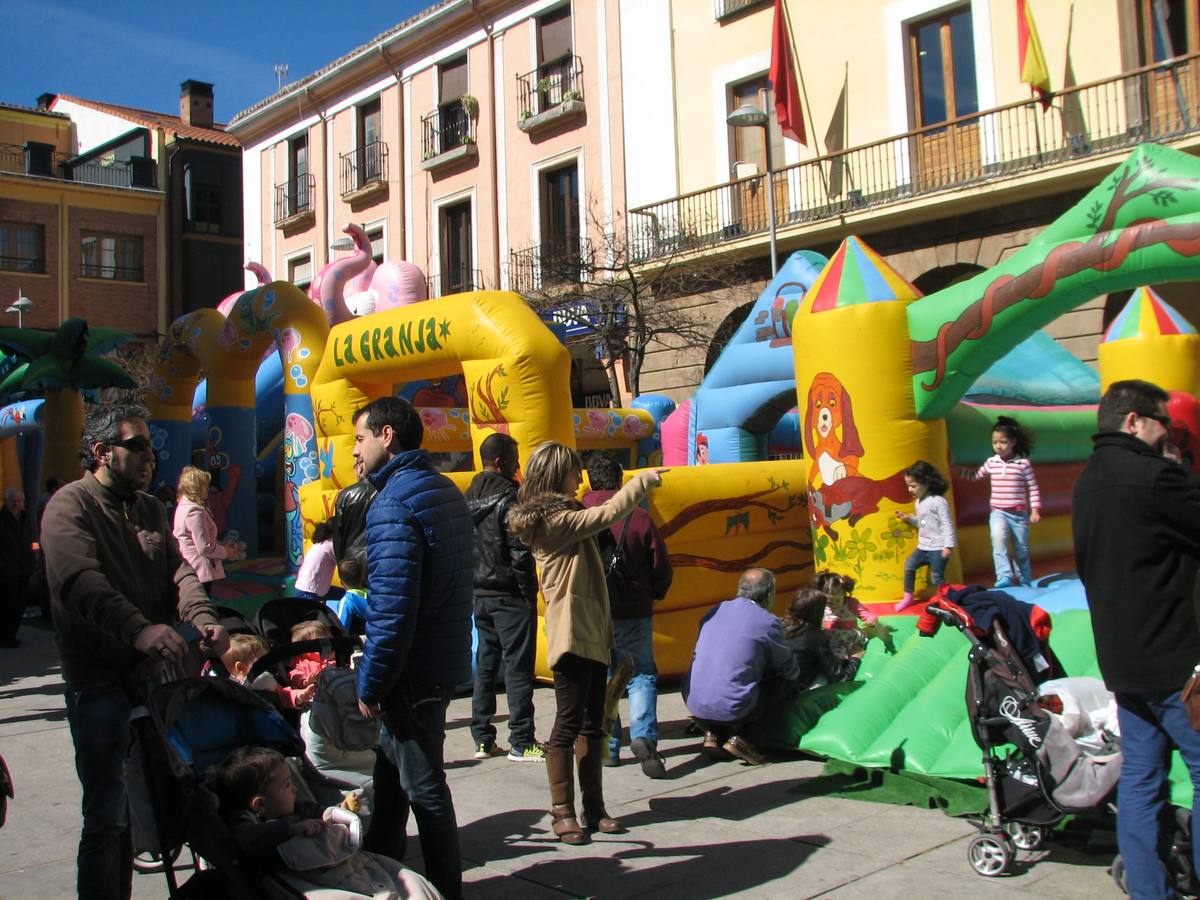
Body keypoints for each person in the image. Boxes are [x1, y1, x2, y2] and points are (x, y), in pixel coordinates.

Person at [42, 401, 229, 900]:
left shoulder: (149, 507)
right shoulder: (69, 505)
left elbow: (180, 572)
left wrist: (203, 619)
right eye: (137, 446)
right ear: (102, 452)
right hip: (100, 683)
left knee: (172, 799)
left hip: (158, 680)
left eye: (149, 445)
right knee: (107, 816)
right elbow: (79, 583)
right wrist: (137, 630)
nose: (150, 456)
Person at [1073, 378, 1200, 898]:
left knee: (1143, 779)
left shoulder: (1086, 481)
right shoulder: (1154, 478)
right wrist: (1176, 467)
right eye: (1162, 423)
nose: (1166, 433)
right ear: (1134, 421)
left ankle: (1151, 889)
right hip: (1178, 660)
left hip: (1124, 661)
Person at [508, 443, 666, 845]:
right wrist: (642, 481)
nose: (578, 479)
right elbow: (607, 514)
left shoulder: (565, 514)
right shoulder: (552, 521)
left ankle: (593, 808)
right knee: (568, 721)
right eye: (572, 472)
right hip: (571, 634)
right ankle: (562, 812)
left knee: (595, 722)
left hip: (593, 631)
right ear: (555, 474)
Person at [351, 396, 472, 900]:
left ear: (386, 436)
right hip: (436, 663)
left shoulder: (393, 504)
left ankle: (444, 889)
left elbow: (392, 610)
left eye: (359, 439)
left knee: (423, 789)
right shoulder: (442, 489)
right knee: (391, 781)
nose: (353, 452)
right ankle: (378, 872)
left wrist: (371, 682)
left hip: (411, 673)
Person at [214, 746, 439, 898]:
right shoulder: (247, 822)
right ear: (260, 805)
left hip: (339, 862)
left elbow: (317, 812)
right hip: (300, 876)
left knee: (408, 880)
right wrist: (291, 829)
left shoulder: (297, 807)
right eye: (286, 785)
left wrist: (337, 811)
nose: (293, 789)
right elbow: (248, 839)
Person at [582, 452, 674, 778]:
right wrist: (655, 593)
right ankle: (644, 736)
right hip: (634, 608)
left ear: (589, 481)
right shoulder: (639, 517)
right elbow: (660, 565)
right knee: (641, 673)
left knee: (604, 675)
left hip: (592, 610)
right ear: (621, 481)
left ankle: (608, 746)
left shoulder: (579, 514)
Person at [465, 433, 543, 762]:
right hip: (508, 592)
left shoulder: (468, 494)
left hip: (480, 593)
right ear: (499, 462)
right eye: (513, 459)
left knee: (486, 664)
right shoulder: (510, 498)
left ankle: (482, 737)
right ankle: (522, 740)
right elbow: (519, 554)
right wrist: (529, 595)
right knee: (517, 667)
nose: (518, 465)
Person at [682, 568, 799, 767]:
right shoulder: (767, 622)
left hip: (694, 702)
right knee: (786, 683)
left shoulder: (715, 610)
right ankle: (745, 739)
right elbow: (788, 668)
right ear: (769, 594)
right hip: (733, 707)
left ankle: (714, 734)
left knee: (731, 680)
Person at [958, 415, 1042, 588]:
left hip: (1019, 514)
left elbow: (1033, 487)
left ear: (1013, 442)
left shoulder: (1023, 464)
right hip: (998, 512)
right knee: (999, 540)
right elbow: (975, 475)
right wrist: (955, 469)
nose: (998, 446)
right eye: (995, 442)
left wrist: (1035, 510)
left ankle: (1024, 578)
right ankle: (1004, 576)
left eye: (1003, 442)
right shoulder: (992, 462)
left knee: (1021, 549)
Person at [894, 460, 955, 611]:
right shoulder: (919, 502)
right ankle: (908, 597)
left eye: (913, 486)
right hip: (923, 546)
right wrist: (909, 519)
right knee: (909, 565)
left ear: (927, 482)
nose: (910, 489)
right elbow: (924, 523)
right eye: (908, 485)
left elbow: (947, 524)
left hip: (938, 547)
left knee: (936, 578)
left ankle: (948, 599)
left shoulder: (938, 501)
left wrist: (948, 546)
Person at [173, 465, 245, 590]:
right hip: (198, 570)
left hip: (190, 567)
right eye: (204, 486)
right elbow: (204, 547)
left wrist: (223, 546)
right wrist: (226, 552)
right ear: (197, 488)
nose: (207, 489)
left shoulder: (183, 507)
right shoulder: (194, 511)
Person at [813, 570, 892, 669]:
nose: (833, 604)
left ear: (844, 594)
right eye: (829, 602)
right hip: (829, 639)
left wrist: (871, 621)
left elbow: (869, 615)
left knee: (837, 654)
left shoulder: (851, 603)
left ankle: (842, 668)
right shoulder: (822, 605)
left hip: (848, 638)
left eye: (837, 600)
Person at [780, 588, 854, 689]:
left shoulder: (778, 625)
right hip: (795, 689)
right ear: (819, 613)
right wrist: (855, 659)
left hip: (774, 686)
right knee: (823, 675)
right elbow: (839, 676)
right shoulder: (815, 637)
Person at [0, 487, 34, 647]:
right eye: (13, 501)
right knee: (6, 605)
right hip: (6, 572)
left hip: (23, 570)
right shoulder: (2, 520)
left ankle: (11, 634)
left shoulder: (26, 519)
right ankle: (4, 636)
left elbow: (31, 544)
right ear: (5, 502)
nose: (16, 504)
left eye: (19, 501)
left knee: (19, 605)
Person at [295, 521, 336, 601]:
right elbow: (343, 563)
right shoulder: (330, 545)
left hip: (304, 589)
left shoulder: (319, 544)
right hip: (308, 592)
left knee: (341, 594)